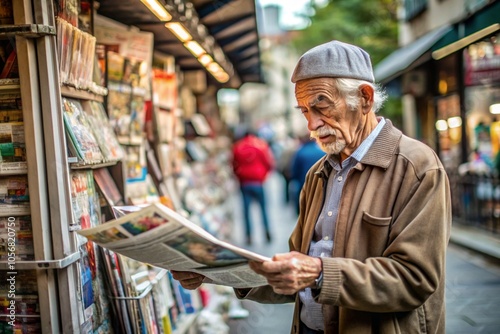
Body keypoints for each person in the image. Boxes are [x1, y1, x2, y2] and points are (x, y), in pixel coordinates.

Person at [171, 40, 452, 334]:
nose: (312, 124)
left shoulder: (416, 167)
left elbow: (415, 279)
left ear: (365, 99)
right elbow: (296, 275)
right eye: (304, 111)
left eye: (321, 106)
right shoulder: (319, 172)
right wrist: (217, 273)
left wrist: (318, 273)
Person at [231, 129, 275, 245]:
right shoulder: (261, 145)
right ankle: (266, 232)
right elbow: (269, 163)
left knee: (246, 211)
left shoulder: (237, 147)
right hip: (258, 182)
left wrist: (240, 176)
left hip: (245, 182)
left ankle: (249, 236)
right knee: (263, 209)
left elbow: (234, 165)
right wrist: (263, 176)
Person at [290, 132, 325, 214]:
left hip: (304, 183)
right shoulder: (321, 151)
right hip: (320, 183)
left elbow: (295, 171)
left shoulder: (300, 152)